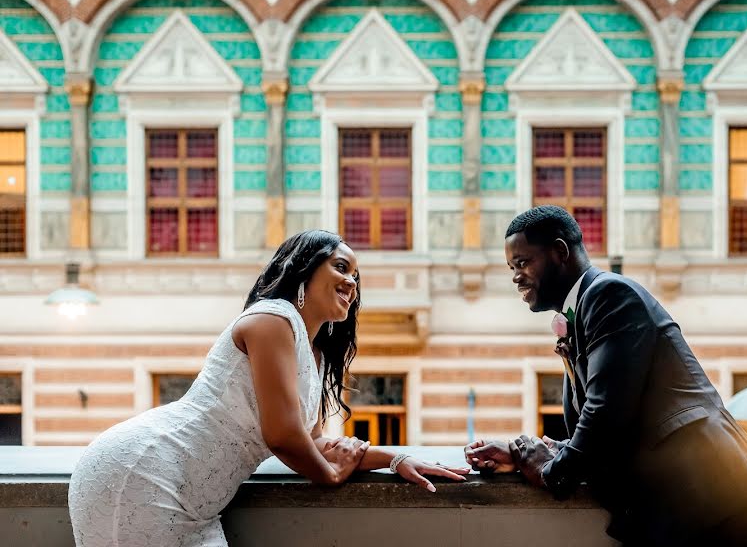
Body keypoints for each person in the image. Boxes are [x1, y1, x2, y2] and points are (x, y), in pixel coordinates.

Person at [69, 230, 468, 546]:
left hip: (196, 505)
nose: (352, 282)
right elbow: (283, 437)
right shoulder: (272, 319)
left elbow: (313, 444)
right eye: (342, 268)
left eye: (356, 277)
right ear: (304, 269)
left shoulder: (314, 353)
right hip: (144, 472)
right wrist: (329, 476)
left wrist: (396, 461)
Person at [464, 206, 747, 546]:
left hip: (716, 504)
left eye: (524, 262)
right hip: (686, 511)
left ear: (560, 252)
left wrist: (551, 473)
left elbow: (606, 413)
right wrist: (521, 453)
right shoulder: (584, 308)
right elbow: (607, 429)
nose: (516, 276)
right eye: (512, 267)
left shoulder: (610, 294)